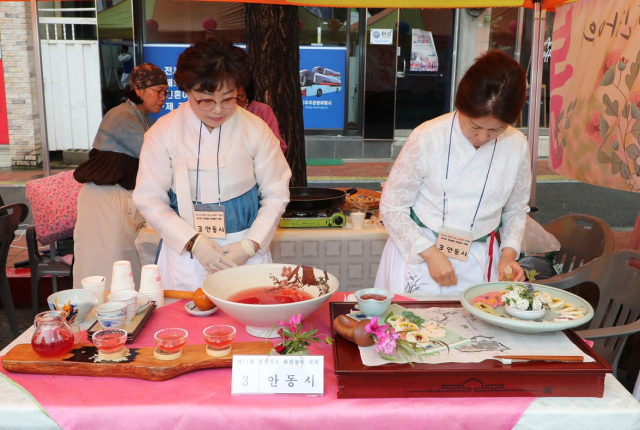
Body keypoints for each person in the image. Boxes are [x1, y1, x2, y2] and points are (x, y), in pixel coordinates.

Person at [133, 36, 291, 292]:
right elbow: (149, 198)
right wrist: (195, 243)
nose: (218, 110)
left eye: (229, 99)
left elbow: (276, 193)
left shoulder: (256, 130)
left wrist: (249, 245)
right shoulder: (163, 132)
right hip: (187, 250)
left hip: (244, 248)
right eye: (205, 100)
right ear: (187, 91)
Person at [374, 49, 531, 295]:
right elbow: (392, 207)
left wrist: (508, 255)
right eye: (474, 126)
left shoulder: (518, 145)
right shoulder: (427, 136)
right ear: (460, 105)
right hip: (421, 252)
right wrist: (429, 253)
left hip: (479, 258)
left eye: (496, 130)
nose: (482, 137)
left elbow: (516, 210)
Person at [73, 63, 169, 290]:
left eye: (166, 92)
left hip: (122, 196)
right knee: (106, 262)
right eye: (158, 91)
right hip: (104, 198)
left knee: (124, 262)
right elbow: (152, 154)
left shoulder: (145, 117)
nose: (163, 97)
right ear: (138, 90)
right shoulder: (121, 115)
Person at [237, 82, 287, 154]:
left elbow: (275, 145)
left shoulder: (262, 111)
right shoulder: (219, 112)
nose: (235, 102)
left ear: (247, 95)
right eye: (228, 98)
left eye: (240, 97)